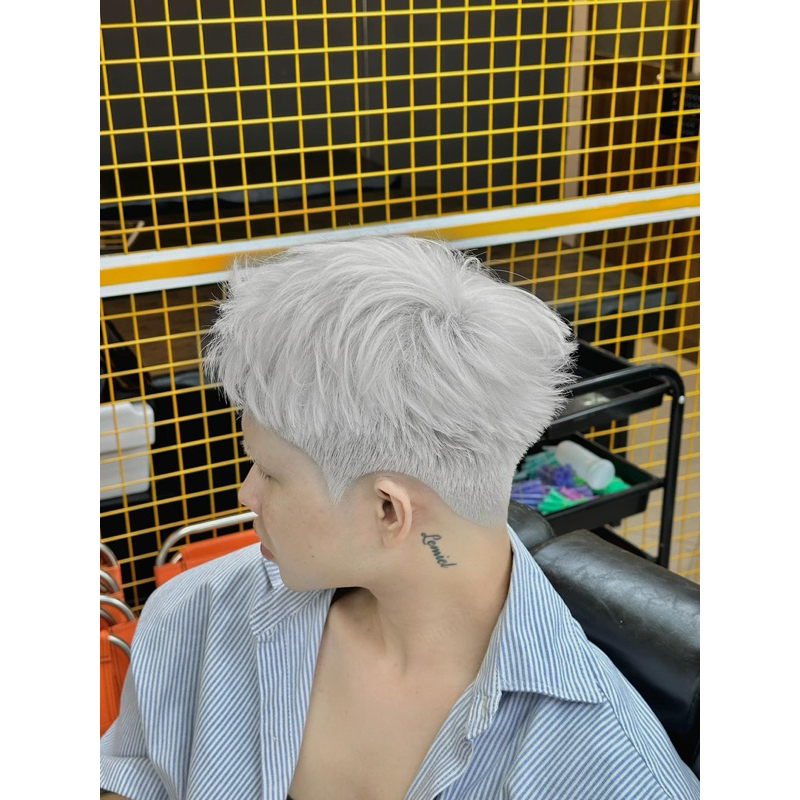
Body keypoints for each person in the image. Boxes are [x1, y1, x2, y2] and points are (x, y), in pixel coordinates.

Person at [100, 236, 700, 799]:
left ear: (389, 510)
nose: (246, 493)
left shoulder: (611, 773)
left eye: (271, 473)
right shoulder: (197, 617)